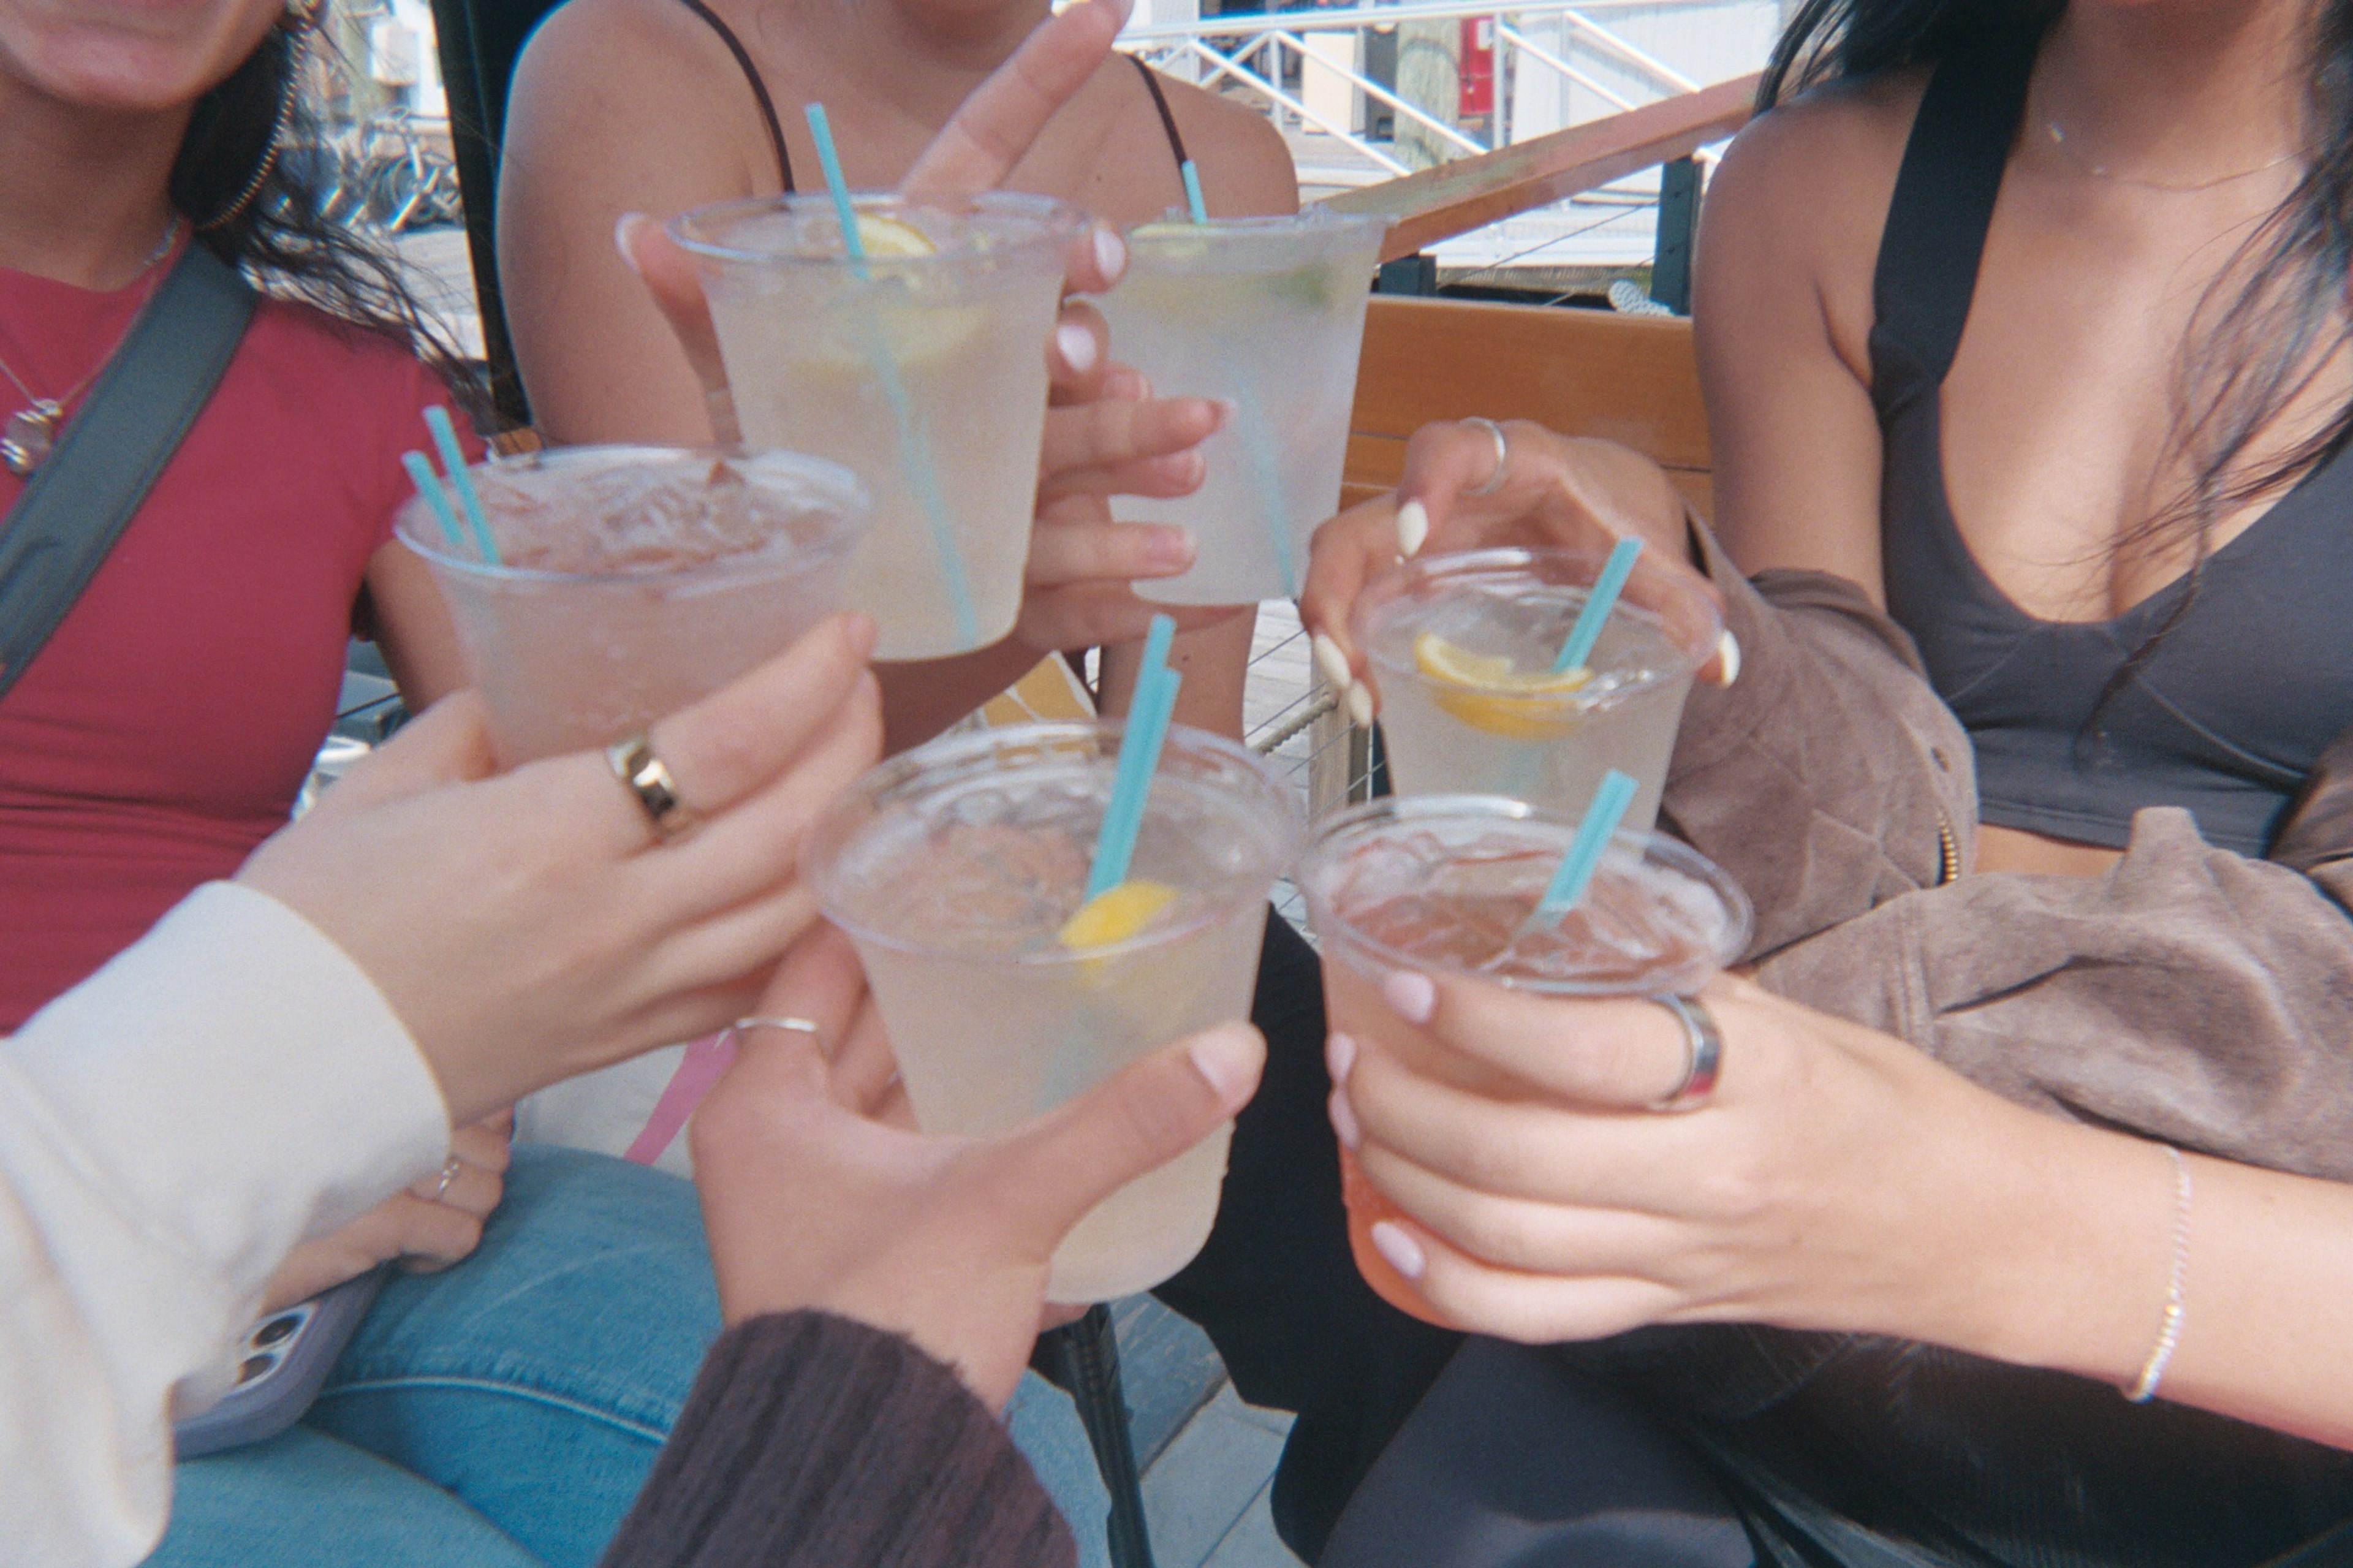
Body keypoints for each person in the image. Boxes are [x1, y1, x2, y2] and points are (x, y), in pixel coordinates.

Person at [1, 0, 1188, 1548]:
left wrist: (798, 524)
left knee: (958, 1457)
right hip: (169, 1186)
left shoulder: (361, 402)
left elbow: (651, 821)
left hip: (319, 1236)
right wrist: (207, 1130)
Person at [2, 646, 1267, 1567]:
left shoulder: (319, 362)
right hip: (119, 1238)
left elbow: (549, 770)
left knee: (996, 1450)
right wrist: (244, 1121)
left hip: (296, 1222)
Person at [498, 0, 1298, 742]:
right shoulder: (627, 72)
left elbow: (1176, 743)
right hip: (749, 876)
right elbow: (665, 744)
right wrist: (1010, 595)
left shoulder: (1228, 162)